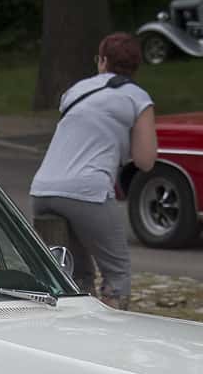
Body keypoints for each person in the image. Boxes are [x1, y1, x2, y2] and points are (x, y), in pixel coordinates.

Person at [28, 31, 156, 309]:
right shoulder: (137, 98)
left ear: (102, 61)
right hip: (88, 191)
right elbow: (146, 160)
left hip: (43, 189)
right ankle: (111, 337)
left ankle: (73, 330)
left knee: (76, 273)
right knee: (117, 271)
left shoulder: (76, 91)